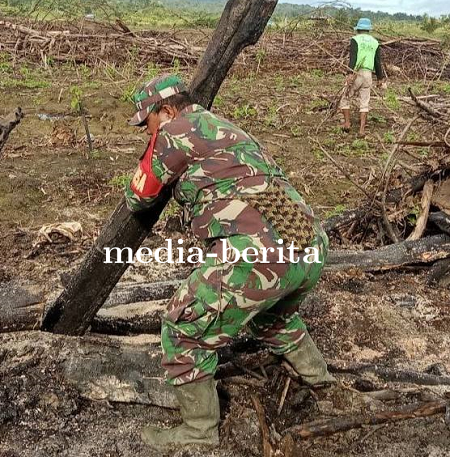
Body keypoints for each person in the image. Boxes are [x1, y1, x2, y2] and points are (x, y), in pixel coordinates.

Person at [123, 74, 335, 450]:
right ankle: (322, 385)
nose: (147, 133)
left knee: (182, 325)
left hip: (257, 253)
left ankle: (199, 431)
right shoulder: (227, 129)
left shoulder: (174, 131)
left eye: (148, 123)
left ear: (166, 111)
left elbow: (138, 197)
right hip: (309, 245)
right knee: (274, 316)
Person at [339, 17, 386, 136]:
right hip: (368, 74)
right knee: (365, 101)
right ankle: (361, 130)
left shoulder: (355, 39)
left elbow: (353, 58)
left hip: (356, 72)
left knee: (345, 97)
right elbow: (377, 62)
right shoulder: (375, 42)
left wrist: (349, 73)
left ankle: (347, 123)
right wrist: (380, 78)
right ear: (368, 30)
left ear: (358, 29)